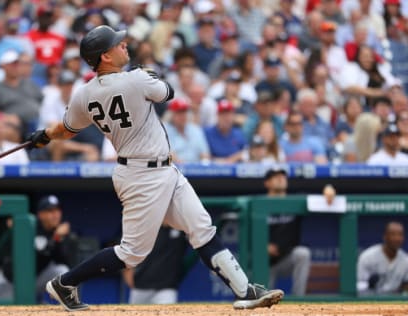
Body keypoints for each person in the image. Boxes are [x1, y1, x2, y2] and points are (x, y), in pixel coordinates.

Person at [28, 25, 283, 312]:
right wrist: (149, 74)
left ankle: (246, 291)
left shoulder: (83, 94)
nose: (123, 44)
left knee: (202, 228)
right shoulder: (135, 79)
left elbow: (66, 129)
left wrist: (45, 136)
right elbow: (169, 93)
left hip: (162, 170)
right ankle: (65, 283)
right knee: (131, 254)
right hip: (141, 175)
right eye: (116, 44)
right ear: (105, 57)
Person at [263, 166, 311, 296]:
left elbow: (317, 200)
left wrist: (328, 189)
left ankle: (299, 299)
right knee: (264, 300)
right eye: (275, 176)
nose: (280, 178)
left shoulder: (296, 201)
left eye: (283, 175)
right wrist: (262, 246)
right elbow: (247, 235)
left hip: (286, 259)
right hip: (263, 261)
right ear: (267, 183)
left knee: (302, 253)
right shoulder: (259, 203)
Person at [123, 226, 188, 304]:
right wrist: (127, 271)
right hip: (140, 286)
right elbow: (126, 250)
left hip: (166, 288)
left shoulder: (181, 228)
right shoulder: (146, 225)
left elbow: (201, 241)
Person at [357, 221, 408, 295]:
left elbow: (406, 287)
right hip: (370, 300)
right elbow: (358, 285)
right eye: (393, 234)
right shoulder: (368, 257)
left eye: (400, 235)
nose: (397, 238)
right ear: (385, 236)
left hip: (395, 302)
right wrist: (369, 285)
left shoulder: (405, 260)